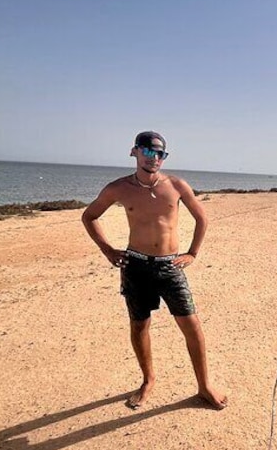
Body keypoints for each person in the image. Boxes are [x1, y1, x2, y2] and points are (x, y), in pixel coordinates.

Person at [81, 131, 227, 410]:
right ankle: (148, 380)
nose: (154, 158)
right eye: (148, 151)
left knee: (192, 327)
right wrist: (108, 249)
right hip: (135, 265)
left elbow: (201, 217)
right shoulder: (118, 188)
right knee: (139, 325)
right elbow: (89, 216)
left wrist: (192, 253)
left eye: (160, 153)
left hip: (170, 266)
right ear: (134, 152)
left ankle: (204, 386)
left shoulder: (175, 185)